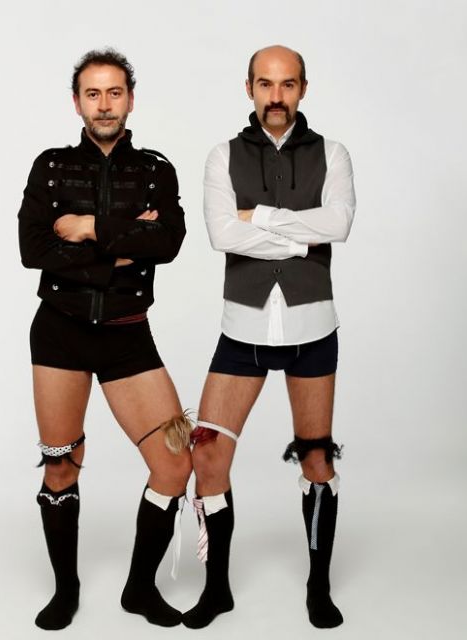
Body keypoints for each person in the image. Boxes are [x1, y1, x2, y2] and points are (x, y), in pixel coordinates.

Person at [18, 48, 192, 630]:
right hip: (60, 335)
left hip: (127, 335)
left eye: (114, 92)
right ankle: (65, 589)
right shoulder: (49, 167)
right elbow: (34, 250)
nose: (104, 104)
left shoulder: (156, 170)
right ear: (77, 103)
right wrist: (121, 249)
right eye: (92, 94)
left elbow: (167, 243)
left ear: (130, 99)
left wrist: (89, 228)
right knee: (61, 468)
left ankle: (139, 589)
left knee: (175, 464)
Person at [183, 45, 356, 630]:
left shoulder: (332, 153)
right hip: (243, 327)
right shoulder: (221, 155)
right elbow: (220, 235)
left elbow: (339, 223)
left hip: (313, 326)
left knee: (317, 459)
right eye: (265, 84)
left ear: (303, 88)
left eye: (286, 84)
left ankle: (318, 586)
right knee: (207, 454)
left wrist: (255, 217)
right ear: (249, 88)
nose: (276, 96)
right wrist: (301, 236)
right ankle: (217, 589)